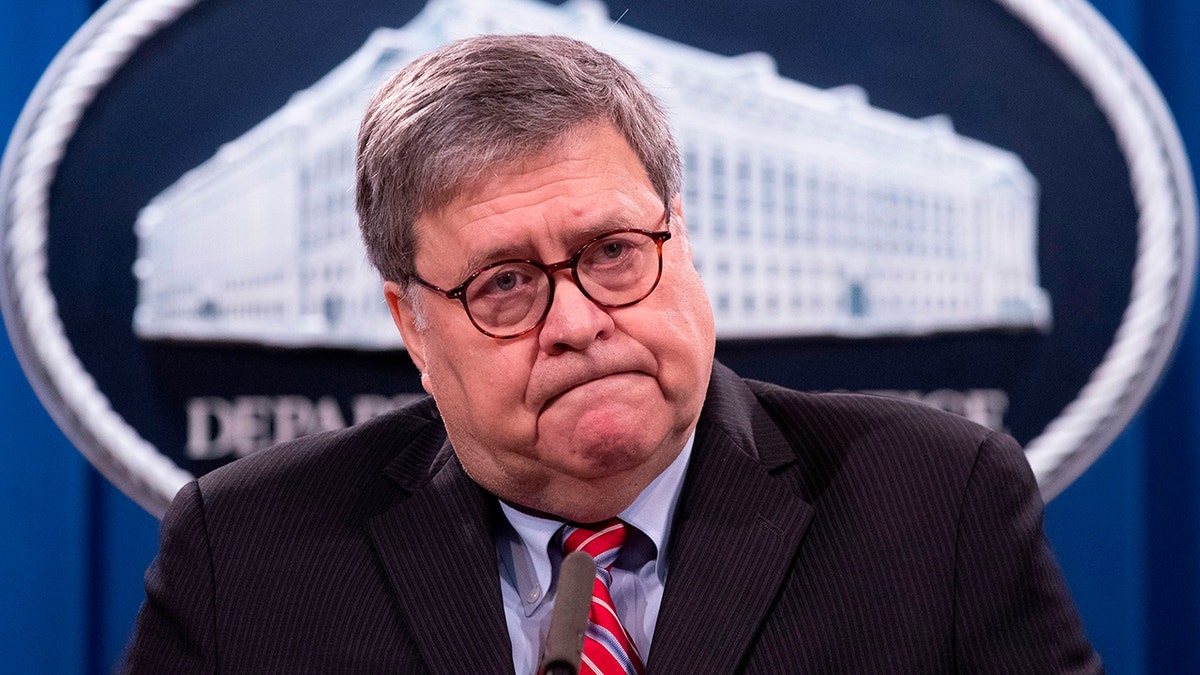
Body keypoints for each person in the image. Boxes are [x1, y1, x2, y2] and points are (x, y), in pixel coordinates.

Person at [122, 34, 1102, 673]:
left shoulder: (934, 504)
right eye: (506, 283)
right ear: (413, 323)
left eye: (614, 253)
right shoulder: (245, 554)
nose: (581, 320)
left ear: (679, 234)